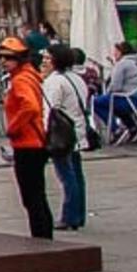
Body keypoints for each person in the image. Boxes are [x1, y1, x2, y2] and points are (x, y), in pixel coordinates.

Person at [0, 35, 53, 240]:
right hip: (35, 142)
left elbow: (30, 106)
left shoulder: (21, 79)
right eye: (0, 57)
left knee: (32, 197)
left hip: (27, 143)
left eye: (8, 57)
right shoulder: (29, 75)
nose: (3, 61)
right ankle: (43, 235)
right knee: (37, 194)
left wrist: (13, 127)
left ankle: (41, 237)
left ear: (19, 59)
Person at [44, 43, 89, 231]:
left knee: (66, 175)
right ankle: (78, 215)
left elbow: (49, 109)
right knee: (76, 174)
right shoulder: (77, 79)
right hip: (77, 130)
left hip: (62, 134)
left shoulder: (55, 82)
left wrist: (43, 133)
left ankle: (69, 216)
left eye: (47, 58)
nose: (44, 62)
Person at [95, 40, 137, 140]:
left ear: (121, 52)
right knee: (114, 102)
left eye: (115, 52)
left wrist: (107, 93)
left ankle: (116, 130)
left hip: (133, 101)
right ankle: (132, 127)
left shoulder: (122, 64)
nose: (113, 54)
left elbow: (115, 87)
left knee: (96, 102)